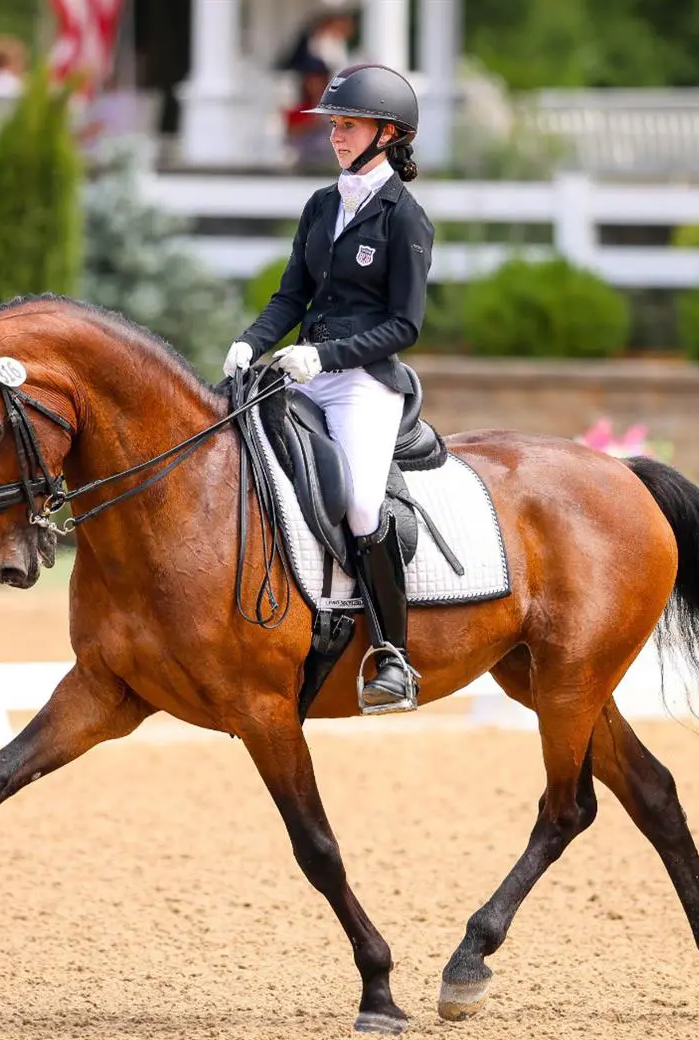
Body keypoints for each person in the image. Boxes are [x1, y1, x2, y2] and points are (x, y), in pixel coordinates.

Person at [223, 63, 435, 715]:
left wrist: (327, 355)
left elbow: (406, 324)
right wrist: (252, 342)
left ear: (387, 133)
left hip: (363, 385)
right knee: (247, 467)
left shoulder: (405, 219)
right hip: (302, 373)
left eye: (347, 125)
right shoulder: (322, 204)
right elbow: (292, 294)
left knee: (364, 507)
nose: (336, 136)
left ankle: (392, 655)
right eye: (335, 126)